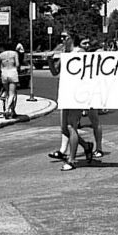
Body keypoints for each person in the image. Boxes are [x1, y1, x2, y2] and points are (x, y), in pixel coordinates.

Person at [47, 34, 93, 171]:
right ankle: (86, 146)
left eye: (64, 37)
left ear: (71, 38)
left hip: (77, 94)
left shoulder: (79, 52)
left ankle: (72, 160)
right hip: (66, 93)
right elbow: (55, 72)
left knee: (72, 126)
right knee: (65, 129)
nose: (62, 40)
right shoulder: (64, 54)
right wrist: (50, 61)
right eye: (61, 38)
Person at [0, 42, 19, 119]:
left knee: (7, 92)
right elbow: (17, 64)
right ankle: (7, 109)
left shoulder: (1, 55)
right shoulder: (14, 53)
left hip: (4, 73)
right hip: (12, 72)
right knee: (12, 93)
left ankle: (12, 111)